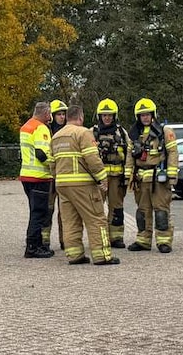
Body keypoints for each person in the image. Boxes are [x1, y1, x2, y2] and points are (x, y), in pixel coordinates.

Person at [51, 105, 118, 265]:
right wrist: (103, 178)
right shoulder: (83, 133)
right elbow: (92, 159)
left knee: (70, 221)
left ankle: (74, 255)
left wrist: (58, 179)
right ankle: (102, 255)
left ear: (67, 117)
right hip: (82, 185)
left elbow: (52, 164)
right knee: (96, 218)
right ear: (80, 117)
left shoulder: (56, 136)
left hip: (62, 185)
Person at [125, 98, 178, 253]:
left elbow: (173, 153)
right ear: (138, 117)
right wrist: (128, 176)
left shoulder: (164, 132)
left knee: (161, 211)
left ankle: (164, 241)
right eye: (142, 115)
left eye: (147, 114)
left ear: (153, 114)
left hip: (159, 179)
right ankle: (143, 240)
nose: (145, 117)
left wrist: (172, 175)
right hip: (141, 179)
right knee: (142, 212)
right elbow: (129, 156)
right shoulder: (134, 134)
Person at [92, 98, 132, 248]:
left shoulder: (122, 132)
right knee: (96, 209)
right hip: (98, 179)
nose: (107, 118)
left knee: (117, 208)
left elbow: (129, 153)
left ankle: (116, 237)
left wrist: (127, 175)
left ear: (114, 116)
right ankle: (99, 238)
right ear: (99, 116)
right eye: (104, 115)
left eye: (109, 115)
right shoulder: (92, 132)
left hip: (116, 178)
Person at [19, 101, 54, 258]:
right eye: (50, 113)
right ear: (46, 113)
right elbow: (42, 154)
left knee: (35, 211)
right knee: (39, 213)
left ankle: (37, 244)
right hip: (39, 176)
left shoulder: (26, 126)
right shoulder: (41, 128)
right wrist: (55, 165)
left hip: (27, 175)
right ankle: (33, 247)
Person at [45, 99, 70, 250]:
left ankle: (65, 240)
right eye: (59, 114)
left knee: (65, 212)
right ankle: (45, 240)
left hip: (64, 177)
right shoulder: (46, 131)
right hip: (49, 177)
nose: (62, 117)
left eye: (63, 114)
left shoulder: (69, 131)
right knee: (47, 209)